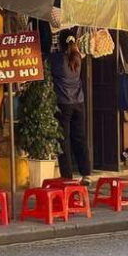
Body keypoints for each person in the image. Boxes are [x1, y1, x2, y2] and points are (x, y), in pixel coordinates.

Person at [38, 18, 92, 186]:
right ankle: (86, 173)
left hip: (64, 104)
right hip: (79, 103)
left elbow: (43, 56)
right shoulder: (77, 59)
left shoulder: (57, 60)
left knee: (64, 140)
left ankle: (67, 176)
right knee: (80, 138)